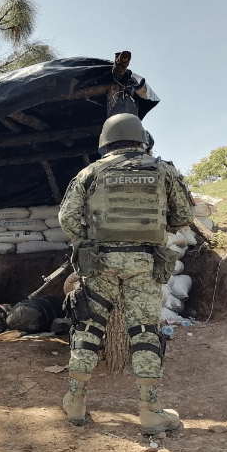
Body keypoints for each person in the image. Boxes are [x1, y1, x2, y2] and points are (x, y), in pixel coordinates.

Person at [58, 113, 195, 434]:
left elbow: (67, 218)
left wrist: (89, 239)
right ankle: (150, 412)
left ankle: (75, 402)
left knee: (88, 329)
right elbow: (184, 216)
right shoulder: (163, 170)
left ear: (106, 141)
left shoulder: (90, 172)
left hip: (100, 263)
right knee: (146, 332)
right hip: (145, 263)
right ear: (141, 139)